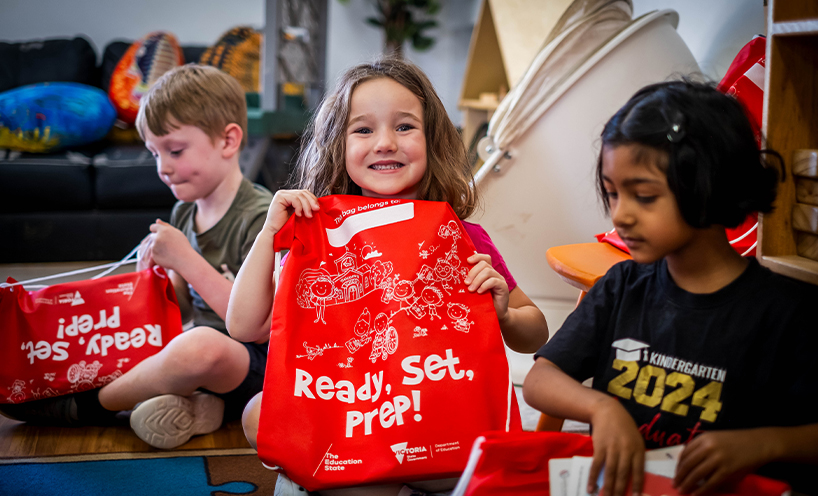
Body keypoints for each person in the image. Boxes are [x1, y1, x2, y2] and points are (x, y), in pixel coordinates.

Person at [226, 57, 550, 495]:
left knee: (486, 468)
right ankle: (382, 479)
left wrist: (506, 315)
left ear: (433, 141)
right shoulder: (318, 238)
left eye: (404, 127)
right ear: (335, 145)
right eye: (363, 129)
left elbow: (534, 334)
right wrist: (270, 234)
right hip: (353, 413)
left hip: (436, 420)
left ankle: (381, 480)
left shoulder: (461, 235)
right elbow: (245, 326)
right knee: (258, 416)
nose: (384, 143)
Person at [522, 80, 818, 496]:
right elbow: (539, 380)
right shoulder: (623, 286)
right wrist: (601, 407)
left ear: (710, 185)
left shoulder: (789, 312)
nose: (620, 216)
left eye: (643, 196)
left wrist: (766, 443)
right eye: (612, 193)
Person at [0, 64, 273, 451]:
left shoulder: (259, 217)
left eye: (175, 151)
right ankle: (199, 409)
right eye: (154, 153)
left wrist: (186, 259)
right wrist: (158, 276)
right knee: (167, 343)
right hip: (212, 369)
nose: (162, 167)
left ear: (228, 141)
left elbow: (258, 325)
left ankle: (91, 404)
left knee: (199, 346)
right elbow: (183, 306)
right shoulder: (185, 211)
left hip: (258, 364)